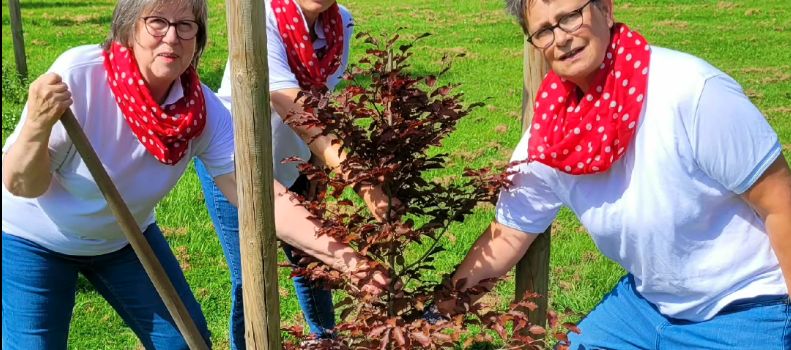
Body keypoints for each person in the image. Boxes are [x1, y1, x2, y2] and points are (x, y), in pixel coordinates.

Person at [1, 0, 384, 348]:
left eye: (187, 25)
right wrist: (36, 125)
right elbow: (23, 184)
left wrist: (353, 262)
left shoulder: (200, 112)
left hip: (125, 239)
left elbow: (266, 200)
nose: (172, 36)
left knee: (185, 342)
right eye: (157, 22)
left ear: (199, 39)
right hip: (33, 240)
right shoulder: (81, 77)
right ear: (129, 27)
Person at [445, 0, 791, 348]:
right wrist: (432, 317)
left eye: (570, 17)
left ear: (605, 10)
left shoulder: (690, 92)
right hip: (646, 308)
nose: (562, 38)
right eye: (544, 31)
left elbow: (780, 202)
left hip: (748, 307)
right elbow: (507, 236)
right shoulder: (552, 133)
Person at [194, 0, 396, 347]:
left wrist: (318, 170)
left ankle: (325, 340)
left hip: (296, 161)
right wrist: (363, 183)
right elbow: (292, 106)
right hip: (233, 165)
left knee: (313, 260)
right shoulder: (261, 15)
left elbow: (323, 101)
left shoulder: (340, 24)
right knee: (251, 274)